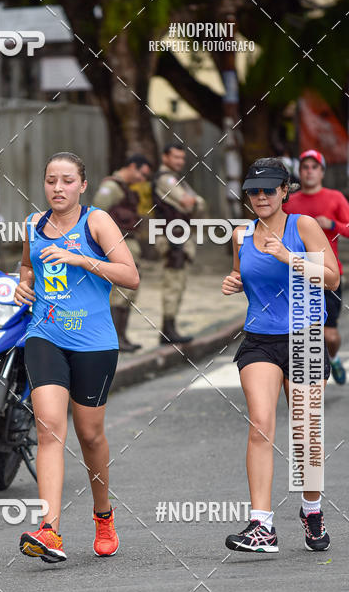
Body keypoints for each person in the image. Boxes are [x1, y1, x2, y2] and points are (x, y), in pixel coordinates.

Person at [14, 151, 140, 564]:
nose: (57, 188)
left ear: (82, 185)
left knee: (89, 435)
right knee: (49, 429)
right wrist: (23, 285)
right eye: (51, 180)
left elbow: (130, 275)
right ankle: (49, 530)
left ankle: (103, 516)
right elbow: (26, 266)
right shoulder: (34, 224)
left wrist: (81, 258)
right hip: (44, 335)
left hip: (94, 342)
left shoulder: (97, 222)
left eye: (67, 180)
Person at [221, 157, 340, 554]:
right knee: (260, 424)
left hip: (304, 337)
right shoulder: (241, 235)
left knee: (305, 433)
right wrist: (235, 282)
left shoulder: (301, 226)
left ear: (285, 191)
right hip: (260, 340)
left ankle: (311, 509)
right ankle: (262, 526)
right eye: (254, 191)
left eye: (269, 190)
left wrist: (290, 258)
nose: (261, 197)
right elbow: (247, 278)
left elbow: (333, 277)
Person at [284, 149, 349, 384]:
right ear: (299, 171)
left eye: (314, 167)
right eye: (305, 167)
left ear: (322, 172)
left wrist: (332, 223)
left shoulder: (334, 197)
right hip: (297, 276)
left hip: (328, 275)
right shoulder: (290, 202)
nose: (309, 171)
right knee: (301, 335)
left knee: (329, 335)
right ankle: (309, 384)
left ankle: (334, 358)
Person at [92, 154, 152, 352]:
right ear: (133, 166)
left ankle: (122, 336)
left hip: (128, 244)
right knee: (120, 293)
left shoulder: (125, 188)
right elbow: (96, 215)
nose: (143, 179)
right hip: (116, 246)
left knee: (128, 294)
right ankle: (115, 339)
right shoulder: (111, 188)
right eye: (142, 174)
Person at [153, 142, 206, 344]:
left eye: (182, 158)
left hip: (179, 236)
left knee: (179, 283)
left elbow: (197, 202)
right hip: (171, 237)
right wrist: (196, 202)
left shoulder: (177, 179)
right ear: (165, 157)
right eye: (175, 157)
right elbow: (189, 202)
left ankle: (170, 327)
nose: (179, 162)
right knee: (173, 283)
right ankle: (167, 330)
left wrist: (196, 202)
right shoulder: (165, 179)